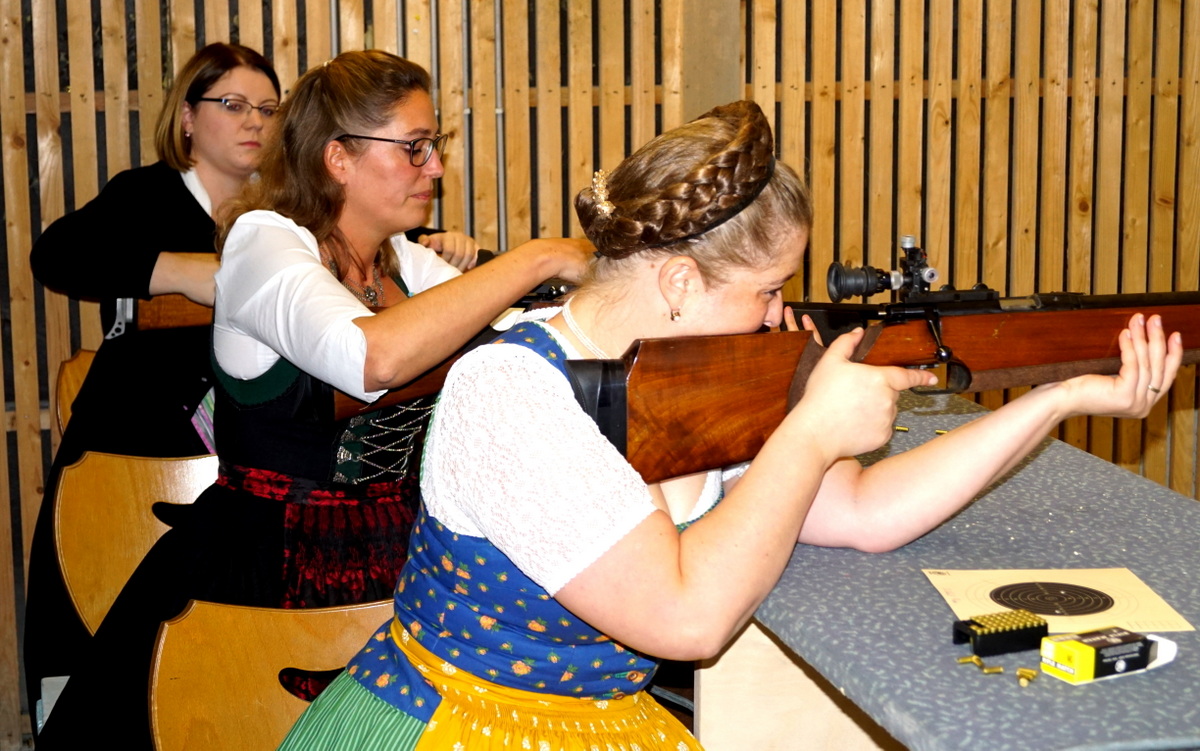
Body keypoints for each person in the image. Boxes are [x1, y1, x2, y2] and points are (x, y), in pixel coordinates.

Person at [279, 99, 1183, 750]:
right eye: (767, 289)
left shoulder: (696, 382)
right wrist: (808, 431)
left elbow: (863, 511)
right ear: (679, 283)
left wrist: (1055, 399)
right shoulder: (510, 392)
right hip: (457, 725)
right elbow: (689, 618)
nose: (778, 313)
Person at [34, 49, 591, 749]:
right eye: (416, 147)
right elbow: (370, 360)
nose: (436, 168)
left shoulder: (403, 260)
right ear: (338, 158)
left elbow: (522, 338)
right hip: (261, 573)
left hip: (403, 559)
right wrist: (537, 257)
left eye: (435, 145)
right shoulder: (263, 242)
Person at [23, 41, 281, 736]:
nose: (254, 121)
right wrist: (179, 270)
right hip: (132, 440)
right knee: (102, 617)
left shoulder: (287, 207)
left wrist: (444, 244)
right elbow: (57, 255)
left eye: (268, 108)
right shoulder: (144, 193)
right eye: (233, 104)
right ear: (188, 118)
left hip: (245, 448)